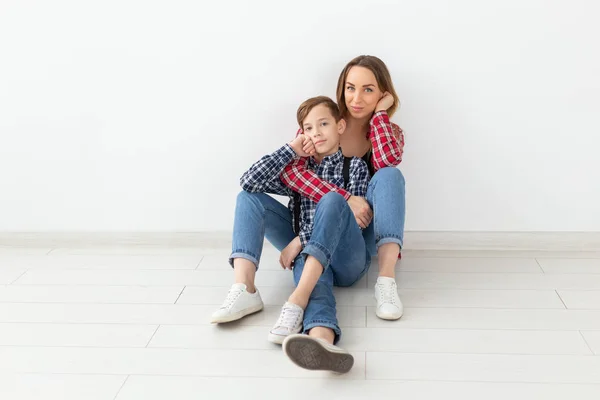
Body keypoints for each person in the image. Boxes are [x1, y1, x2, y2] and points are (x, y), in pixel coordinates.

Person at [212, 96, 370, 373]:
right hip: (310, 259)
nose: (316, 132)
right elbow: (249, 182)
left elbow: (358, 221)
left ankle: (296, 299)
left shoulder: (354, 167)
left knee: (333, 201)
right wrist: (290, 150)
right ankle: (322, 342)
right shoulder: (298, 169)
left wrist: (300, 240)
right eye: (308, 128)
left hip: (347, 260)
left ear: (340, 126)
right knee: (248, 198)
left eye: (323, 124)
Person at [280, 55, 406, 321]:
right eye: (350, 88)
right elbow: (293, 173)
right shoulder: (322, 123)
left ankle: (386, 282)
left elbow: (386, 162)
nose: (356, 99)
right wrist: (345, 198)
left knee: (389, 176)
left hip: (359, 235)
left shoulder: (390, 131)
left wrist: (380, 116)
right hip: (315, 223)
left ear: (383, 94)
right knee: (250, 198)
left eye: (368, 89)